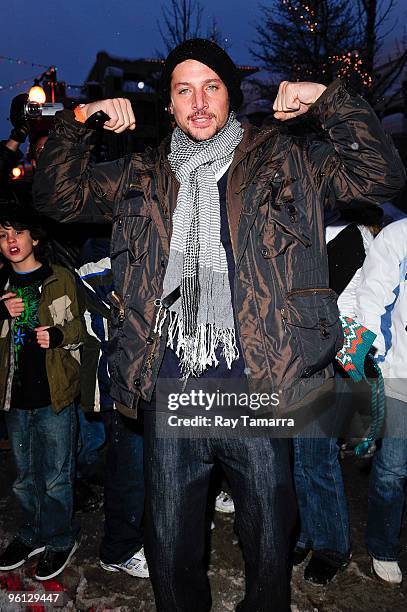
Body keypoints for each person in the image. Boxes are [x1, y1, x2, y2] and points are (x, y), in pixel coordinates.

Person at [33, 38, 405, 611]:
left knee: (268, 542)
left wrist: (329, 99)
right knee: (170, 546)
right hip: (167, 389)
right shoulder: (143, 172)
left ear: (230, 94)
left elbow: (380, 176)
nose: (199, 102)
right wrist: (80, 121)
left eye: (211, 87)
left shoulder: (286, 159)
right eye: (184, 90)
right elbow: (56, 197)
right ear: (171, 103)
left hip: (254, 388)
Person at [292, 206, 383, 585]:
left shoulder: (351, 232)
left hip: (326, 357)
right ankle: (304, 533)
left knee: (316, 459)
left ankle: (331, 545)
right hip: (302, 355)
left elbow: (317, 293)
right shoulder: (322, 223)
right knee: (298, 457)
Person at [0, 206, 85, 581]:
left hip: (54, 394)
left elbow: (82, 329)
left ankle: (59, 537)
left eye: (18, 233)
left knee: (55, 475)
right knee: (23, 475)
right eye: (3, 235)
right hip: (13, 398)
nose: (11, 241)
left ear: (35, 239)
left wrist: (60, 335)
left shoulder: (61, 277)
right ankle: (32, 533)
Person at [77, 236, 148, 578]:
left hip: (152, 379)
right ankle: (119, 550)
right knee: (129, 470)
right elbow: (121, 304)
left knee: (153, 465)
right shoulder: (99, 251)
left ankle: (149, 531)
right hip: (120, 381)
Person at [355, 218, 407, 586]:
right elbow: (372, 297)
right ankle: (383, 546)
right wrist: (375, 356)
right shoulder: (397, 237)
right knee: (393, 468)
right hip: (401, 372)